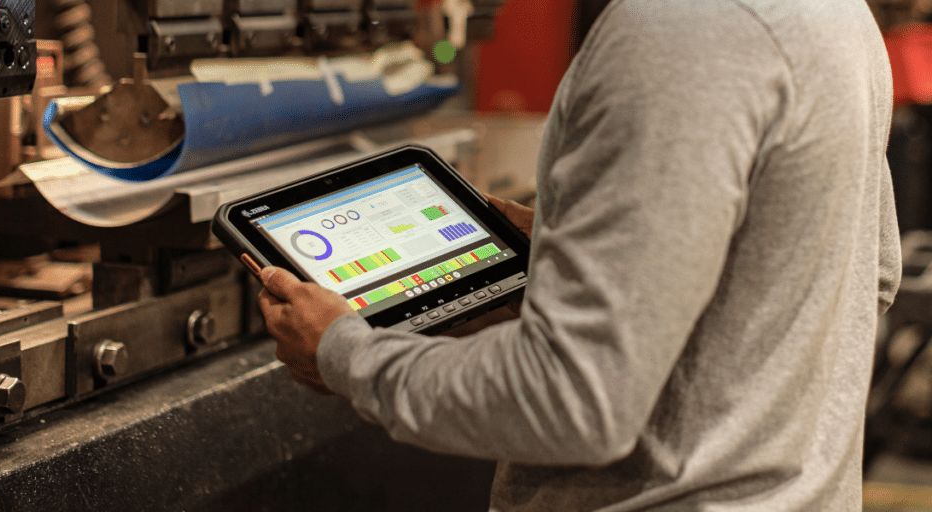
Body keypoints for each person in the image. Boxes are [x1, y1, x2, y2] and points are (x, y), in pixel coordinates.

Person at [256, 0, 903, 509]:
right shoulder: (834, 13)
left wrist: (346, 355)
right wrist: (595, 255)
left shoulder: (679, 34)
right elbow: (862, 273)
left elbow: (574, 400)